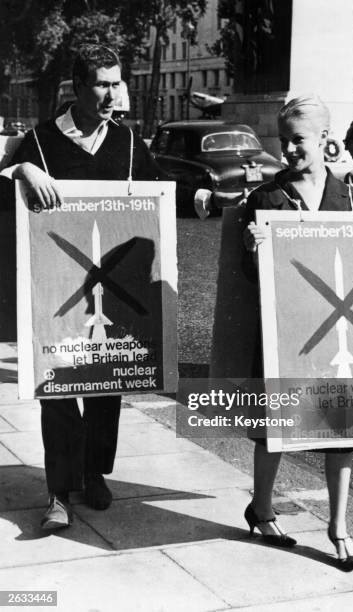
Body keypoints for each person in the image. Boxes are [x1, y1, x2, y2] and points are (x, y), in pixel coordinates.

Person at [2, 44, 165, 530]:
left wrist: (199, 196)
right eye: (102, 83)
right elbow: (2, 184)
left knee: (105, 387)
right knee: (57, 389)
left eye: (117, 83)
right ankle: (58, 491)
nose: (113, 93)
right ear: (78, 86)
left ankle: (93, 472)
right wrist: (21, 169)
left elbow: (160, 189)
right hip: (55, 292)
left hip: (113, 292)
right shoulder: (41, 140)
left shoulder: (130, 144)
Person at [242, 95, 353, 571]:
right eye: (284, 141)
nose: (290, 150)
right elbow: (252, 278)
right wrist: (255, 250)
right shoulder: (266, 198)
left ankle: (338, 527)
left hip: (337, 336)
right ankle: (262, 508)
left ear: (325, 140)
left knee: (342, 430)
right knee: (274, 429)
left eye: (299, 141)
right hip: (284, 331)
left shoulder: (350, 196)